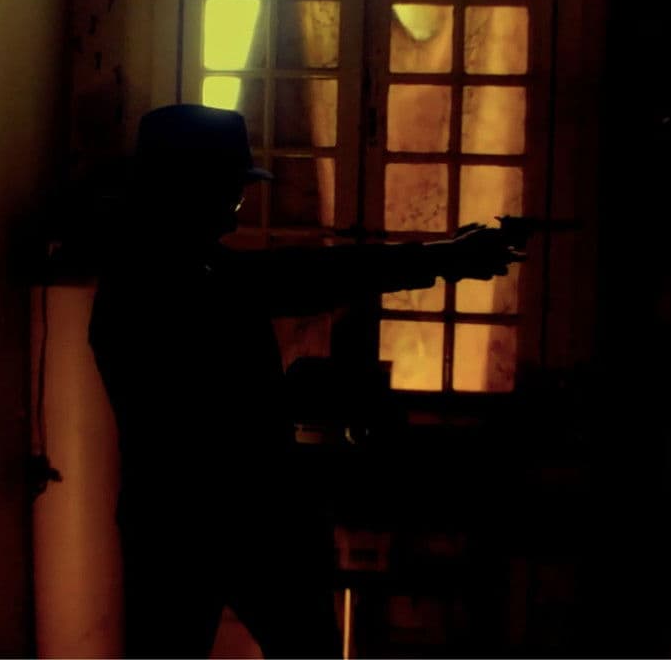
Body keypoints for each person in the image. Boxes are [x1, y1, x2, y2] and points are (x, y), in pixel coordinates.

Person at [88, 104, 522, 658]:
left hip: (174, 519)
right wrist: (441, 258)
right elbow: (301, 279)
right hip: (240, 518)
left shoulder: (151, 276)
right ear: (187, 191)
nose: (234, 217)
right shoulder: (183, 281)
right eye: (229, 196)